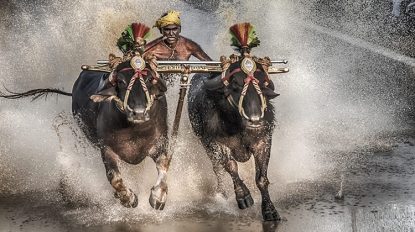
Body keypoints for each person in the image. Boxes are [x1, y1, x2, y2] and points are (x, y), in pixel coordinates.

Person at [144, 10, 212, 61]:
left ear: (179, 30)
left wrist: (222, 65)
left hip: (184, 78)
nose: (171, 33)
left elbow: (211, 64)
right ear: (161, 31)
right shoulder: (153, 48)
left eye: (174, 29)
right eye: (167, 30)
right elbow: (136, 59)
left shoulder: (189, 45)